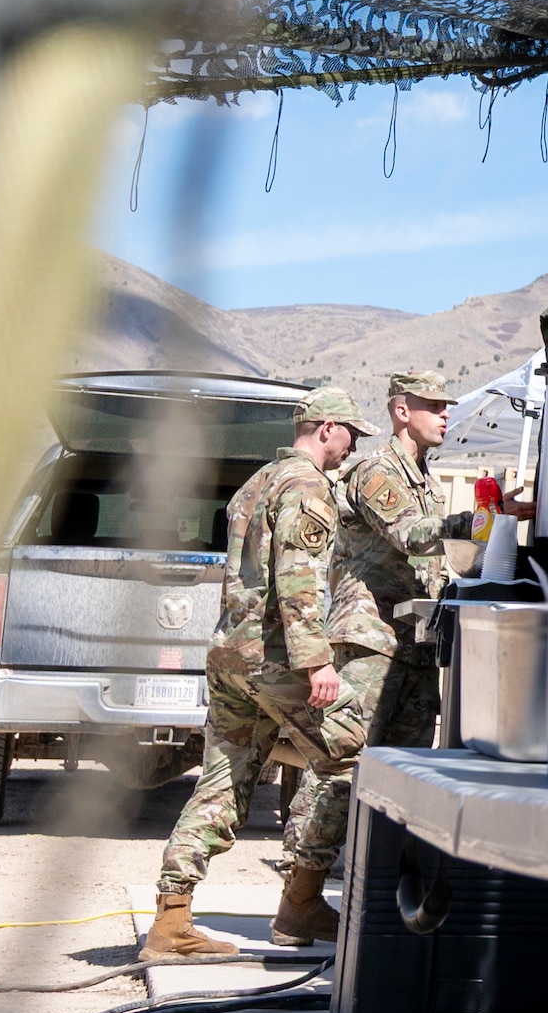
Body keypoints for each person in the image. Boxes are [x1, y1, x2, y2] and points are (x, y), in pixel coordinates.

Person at [143, 387, 379, 959]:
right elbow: (298, 576)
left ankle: (170, 922)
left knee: (222, 780)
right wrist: (318, 661)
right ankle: (301, 902)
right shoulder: (306, 485)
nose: (353, 447)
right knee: (354, 753)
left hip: (232, 653)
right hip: (278, 656)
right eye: (351, 433)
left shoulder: (258, 481)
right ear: (325, 427)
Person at [322, 370, 468, 752]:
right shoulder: (376, 471)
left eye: (445, 408)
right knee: (343, 765)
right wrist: (474, 522)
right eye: (434, 407)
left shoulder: (427, 482)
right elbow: (410, 535)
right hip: (372, 643)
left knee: (404, 770)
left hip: (415, 646)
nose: (444, 416)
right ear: (402, 412)